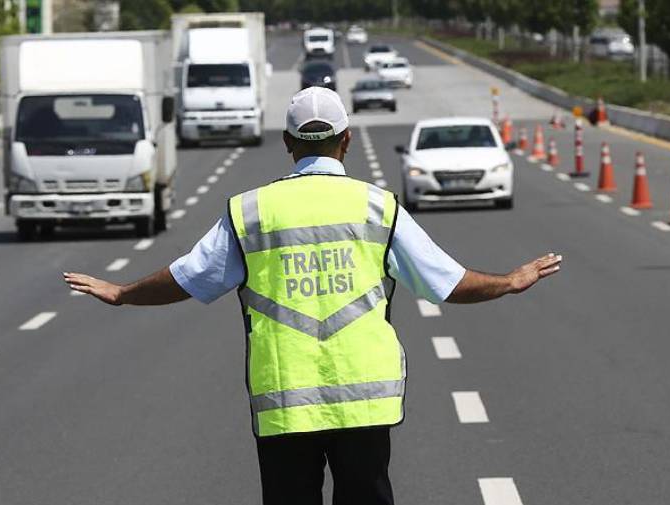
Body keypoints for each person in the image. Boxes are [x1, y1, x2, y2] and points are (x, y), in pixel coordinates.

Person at [64, 87, 562, 505]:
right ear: (346, 140)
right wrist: (510, 281)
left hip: (285, 400)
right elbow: (446, 283)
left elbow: (189, 277)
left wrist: (123, 292)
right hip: (365, 400)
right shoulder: (376, 207)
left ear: (288, 143)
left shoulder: (251, 211)